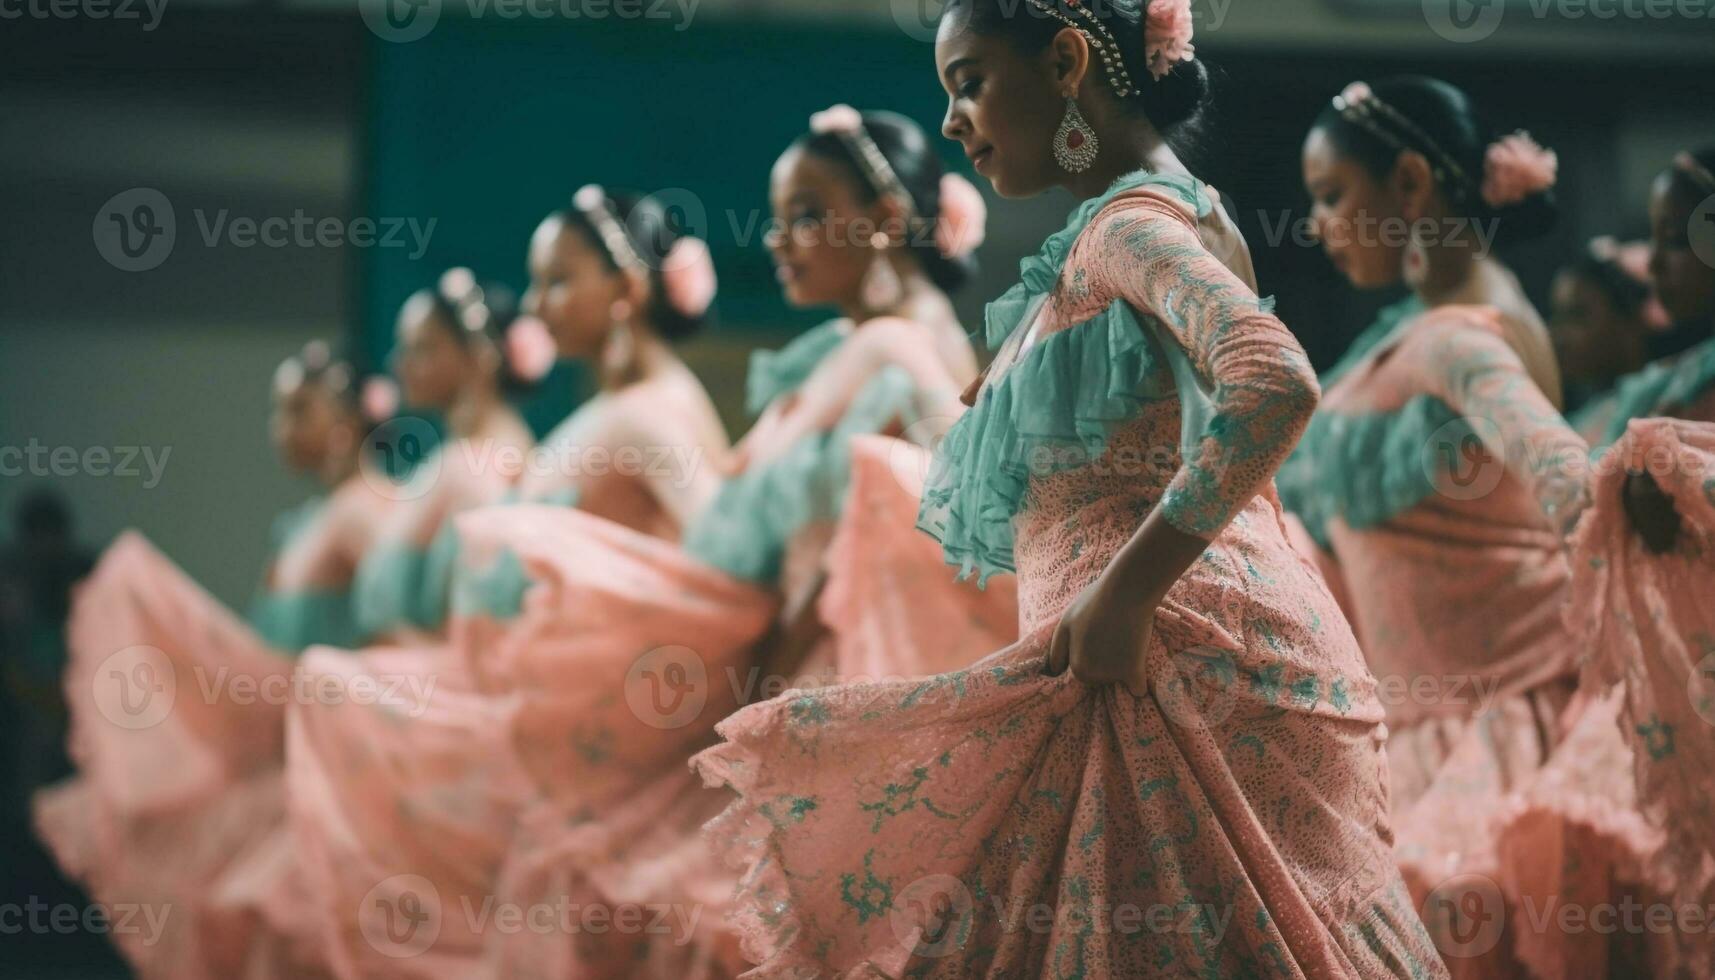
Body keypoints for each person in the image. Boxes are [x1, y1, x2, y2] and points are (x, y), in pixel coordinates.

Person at [692, 5, 1446, 975]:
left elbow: (1273, 380)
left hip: (1164, 666)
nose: (956, 120)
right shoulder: (1165, 216)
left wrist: (1126, 594)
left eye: (968, 82)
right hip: (1171, 653)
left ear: (1063, 62)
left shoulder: (1127, 227)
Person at [32, 340, 393, 979]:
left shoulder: (367, 512)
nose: (280, 429)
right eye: (280, 412)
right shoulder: (313, 519)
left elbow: (399, 642)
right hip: (281, 765)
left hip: (332, 773)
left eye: (298, 411)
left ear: (345, 418)